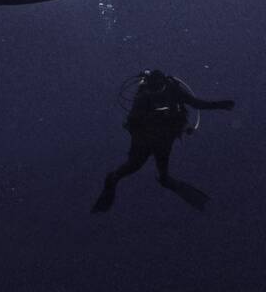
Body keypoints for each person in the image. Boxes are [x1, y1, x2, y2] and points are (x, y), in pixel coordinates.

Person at [92, 69, 234, 213]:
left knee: (161, 175)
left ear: (163, 84)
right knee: (133, 166)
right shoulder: (143, 96)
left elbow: (196, 103)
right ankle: (112, 181)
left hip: (163, 139)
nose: (155, 91)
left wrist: (219, 105)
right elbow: (132, 121)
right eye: (153, 88)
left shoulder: (173, 90)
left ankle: (163, 182)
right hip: (145, 139)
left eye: (158, 88)